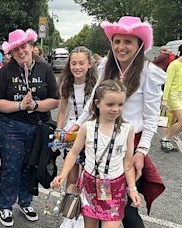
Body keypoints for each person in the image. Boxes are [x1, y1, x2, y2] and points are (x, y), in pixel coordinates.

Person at [69, 16, 166, 228]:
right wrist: (77, 124)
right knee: (96, 204)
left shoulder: (149, 73)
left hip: (128, 146)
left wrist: (141, 151)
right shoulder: (106, 66)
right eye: (117, 41)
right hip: (99, 141)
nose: (121, 47)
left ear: (140, 45)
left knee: (128, 209)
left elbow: (151, 118)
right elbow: (92, 102)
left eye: (128, 42)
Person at [52, 79, 141, 228]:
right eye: (110, 104)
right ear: (97, 103)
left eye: (120, 104)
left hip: (115, 187)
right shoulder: (87, 127)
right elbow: (73, 153)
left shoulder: (128, 129)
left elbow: (128, 163)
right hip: (90, 185)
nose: (116, 109)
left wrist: (132, 189)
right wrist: (62, 174)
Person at [0, 28, 59, 227]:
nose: (20, 52)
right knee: (11, 168)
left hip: (38, 127)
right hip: (11, 126)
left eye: (23, 47)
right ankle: (5, 206)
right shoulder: (6, 71)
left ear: (31, 46)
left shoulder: (44, 68)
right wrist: (20, 106)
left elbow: (55, 100)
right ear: (11, 53)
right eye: (15, 50)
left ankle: (25, 201)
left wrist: (36, 105)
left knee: (30, 166)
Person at [56, 46, 97, 227]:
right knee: (71, 176)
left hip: (89, 132)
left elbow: (93, 111)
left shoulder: (96, 84)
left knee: (87, 176)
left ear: (89, 64)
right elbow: (63, 110)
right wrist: (58, 131)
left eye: (81, 63)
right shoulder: (66, 82)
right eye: (73, 63)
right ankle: (69, 214)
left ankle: (83, 215)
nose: (77, 67)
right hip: (71, 133)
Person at [160, 52, 182, 152]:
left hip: (180, 95)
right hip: (172, 95)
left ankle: (166, 141)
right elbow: (167, 83)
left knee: (172, 121)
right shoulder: (174, 65)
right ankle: (166, 139)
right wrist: (164, 99)